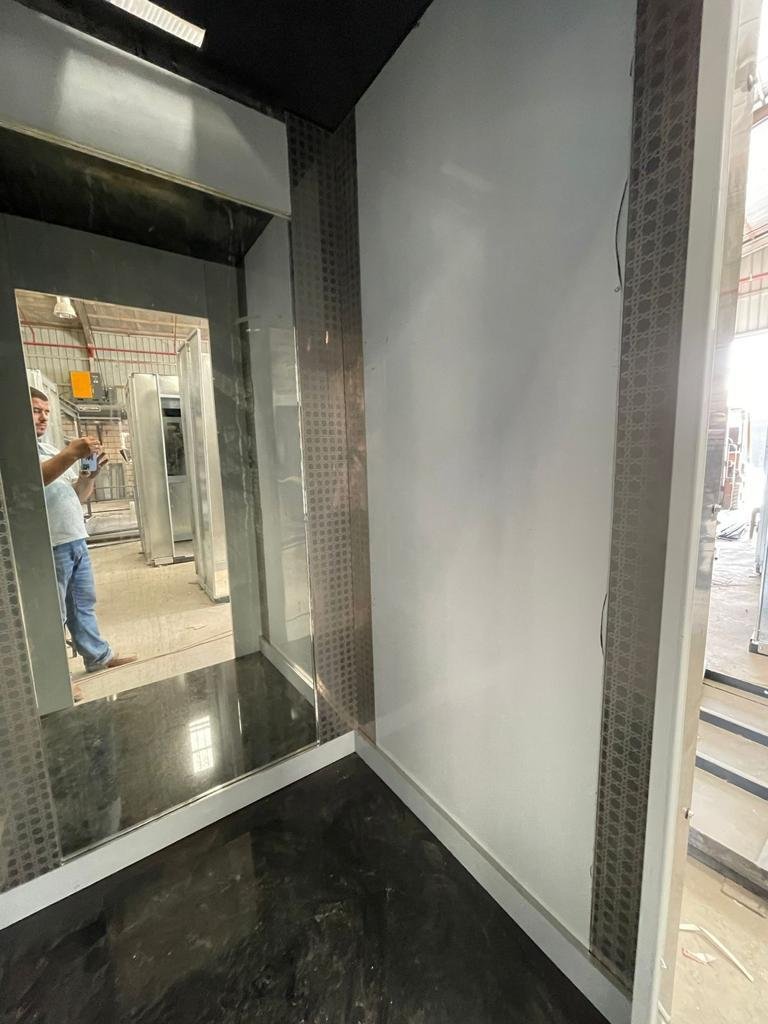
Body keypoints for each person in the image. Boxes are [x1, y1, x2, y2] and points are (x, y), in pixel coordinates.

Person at [30, 387, 136, 681]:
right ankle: (54, 681)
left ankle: (98, 656)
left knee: (81, 604)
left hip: (74, 539)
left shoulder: (50, 451)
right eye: (36, 410)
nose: (43, 417)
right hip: (49, 544)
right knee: (51, 614)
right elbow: (32, 481)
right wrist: (71, 453)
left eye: (46, 412)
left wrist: (88, 477)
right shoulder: (19, 453)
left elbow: (78, 495)